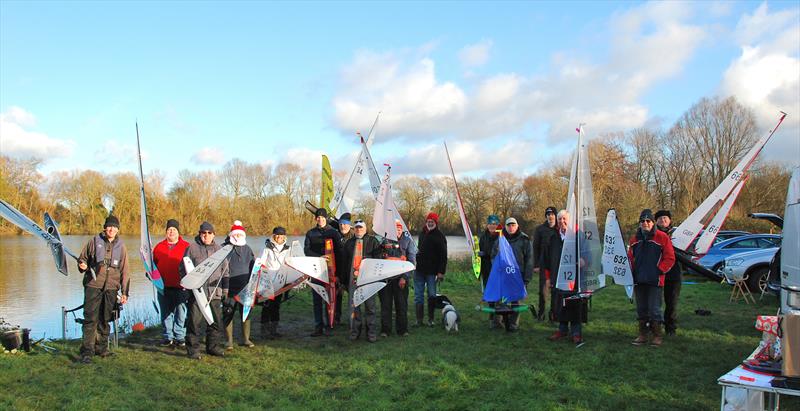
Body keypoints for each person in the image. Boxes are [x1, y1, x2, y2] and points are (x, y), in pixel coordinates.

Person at [76, 215, 130, 364]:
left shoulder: (122, 247)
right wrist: (82, 265)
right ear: (105, 228)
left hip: (111, 288)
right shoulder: (94, 242)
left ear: (118, 229)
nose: (112, 229)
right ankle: (87, 351)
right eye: (109, 226)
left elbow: (125, 271)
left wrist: (125, 292)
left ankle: (102, 348)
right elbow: (82, 259)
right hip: (93, 286)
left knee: (105, 319)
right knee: (90, 319)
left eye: (114, 227)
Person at [180, 221, 230, 359]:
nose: (206, 235)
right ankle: (193, 350)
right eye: (203, 233)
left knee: (215, 322)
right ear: (200, 234)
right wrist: (187, 286)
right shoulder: (191, 248)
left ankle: (212, 347)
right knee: (194, 323)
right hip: (196, 294)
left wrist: (225, 291)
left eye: (209, 233)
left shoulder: (220, 250)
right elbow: (182, 269)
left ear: (213, 234)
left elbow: (225, 272)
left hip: (215, 293)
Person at [628, 209, 675, 347]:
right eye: (642, 221)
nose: (645, 223)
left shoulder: (662, 237)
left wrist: (660, 271)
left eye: (648, 221)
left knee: (655, 309)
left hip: (655, 280)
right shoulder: (634, 239)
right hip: (639, 279)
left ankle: (657, 335)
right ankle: (643, 334)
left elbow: (670, 257)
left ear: (652, 222)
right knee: (641, 308)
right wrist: (629, 272)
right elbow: (630, 258)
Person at [542, 210, 589, 346]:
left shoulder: (578, 236)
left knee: (575, 304)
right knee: (560, 304)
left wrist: (584, 260)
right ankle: (562, 330)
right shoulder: (553, 237)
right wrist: (548, 277)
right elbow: (546, 259)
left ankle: (576, 333)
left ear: (570, 220)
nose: (562, 221)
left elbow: (588, 253)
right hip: (558, 277)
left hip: (574, 279)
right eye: (560, 219)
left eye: (565, 219)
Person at [304, 208, 343, 336]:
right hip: (316, 271)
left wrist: (338, 275)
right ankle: (318, 326)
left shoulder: (334, 233)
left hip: (331, 271)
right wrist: (318, 257)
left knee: (330, 298)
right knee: (317, 299)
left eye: (322, 217)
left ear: (326, 218)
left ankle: (330, 324)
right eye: (318, 217)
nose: (320, 219)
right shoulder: (310, 233)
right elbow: (306, 251)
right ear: (315, 219)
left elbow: (339, 253)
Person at [342, 220, 383, 342]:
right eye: (357, 228)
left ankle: (371, 332)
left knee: (370, 307)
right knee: (354, 307)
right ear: (354, 230)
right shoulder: (349, 243)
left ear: (365, 229)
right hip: (353, 280)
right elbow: (344, 263)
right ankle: (355, 331)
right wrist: (344, 281)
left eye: (361, 228)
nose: (359, 230)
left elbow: (378, 260)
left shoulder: (373, 241)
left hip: (368, 280)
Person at [152, 219, 191, 348]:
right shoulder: (158, 247)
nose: (171, 232)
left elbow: (192, 265)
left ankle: (180, 337)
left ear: (178, 232)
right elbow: (153, 264)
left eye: (174, 230)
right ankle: (168, 337)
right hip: (163, 287)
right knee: (166, 313)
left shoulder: (186, 246)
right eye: (169, 230)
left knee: (181, 313)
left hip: (181, 287)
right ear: (166, 232)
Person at [490, 217, 533, 332]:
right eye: (508, 225)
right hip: (503, 275)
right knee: (499, 300)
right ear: (505, 227)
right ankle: (497, 322)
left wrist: (526, 279)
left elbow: (529, 260)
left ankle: (513, 324)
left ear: (517, 226)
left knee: (516, 301)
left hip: (518, 276)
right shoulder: (500, 240)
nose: (511, 227)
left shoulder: (525, 240)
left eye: (513, 225)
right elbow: (493, 256)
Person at [379, 220, 417, 337]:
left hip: (401, 279)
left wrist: (405, 278)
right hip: (386, 278)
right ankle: (385, 330)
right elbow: (378, 258)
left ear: (402, 229)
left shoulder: (408, 241)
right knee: (386, 305)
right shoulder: (383, 241)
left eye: (399, 228)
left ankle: (402, 330)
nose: (397, 230)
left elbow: (411, 262)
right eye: (395, 228)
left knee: (401, 305)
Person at [222, 221, 255, 349]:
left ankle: (246, 339)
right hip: (229, 288)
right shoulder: (224, 248)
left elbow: (253, 267)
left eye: (239, 235)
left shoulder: (247, 249)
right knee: (228, 313)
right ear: (231, 235)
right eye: (235, 234)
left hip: (246, 288)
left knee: (246, 314)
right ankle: (228, 341)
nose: (237, 237)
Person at [415, 212, 447, 326]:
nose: (430, 223)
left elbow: (443, 256)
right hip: (419, 270)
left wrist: (441, 272)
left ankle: (431, 319)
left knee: (432, 295)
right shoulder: (422, 233)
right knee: (418, 295)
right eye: (428, 221)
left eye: (432, 222)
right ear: (426, 222)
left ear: (435, 223)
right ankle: (419, 320)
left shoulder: (440, 236)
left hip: (432, 272)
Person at [655, 210, 682, 336]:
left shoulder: (678, 234)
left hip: (673, 273)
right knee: (655, 302)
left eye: (665, 218)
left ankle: (670, 328)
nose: (663, 220)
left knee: (671, 303)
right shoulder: (653, 234)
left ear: (670, 220)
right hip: (657, 273)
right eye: (660, 218)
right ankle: (655, 327)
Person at [260, 226, 290, 339]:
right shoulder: (267, 248)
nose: (278, 237)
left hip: (280, 281)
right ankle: (264, 330)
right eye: (276, 235)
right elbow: (262, 262)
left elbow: (289, 263)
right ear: (273, 236)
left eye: (281, 235)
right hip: (268, 281)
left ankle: (274, 330)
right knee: (266, 305)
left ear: (284, 237)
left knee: (276, 306)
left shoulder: (288, 249)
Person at [533, 206, 558, 321]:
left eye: (552, 214)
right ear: (546, 216)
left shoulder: (559, 228)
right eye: (548, 214)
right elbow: (535, 247)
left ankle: (553, 314)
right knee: (543, 291)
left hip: (556, 264)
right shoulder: (540, 229)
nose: (550, 216)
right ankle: (541, 314)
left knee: (555, 291)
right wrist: (536, 265)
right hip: (544, 264)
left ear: (555, 215)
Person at [479, 214, 501, 328]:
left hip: (497, 268)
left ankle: (499, 319)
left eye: (494, 224)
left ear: (497, 225)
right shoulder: (483, 237)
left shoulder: (501, 236)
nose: (492, 226)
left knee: (498, 294)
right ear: (487, 225)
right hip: (486, 268)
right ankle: (492, 318)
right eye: (490, 224)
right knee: (490, 293)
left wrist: (486, 254)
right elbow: (480, 250)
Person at [335, 212, 354, 324]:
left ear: (349, 225)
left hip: (350, 272)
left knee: (352, 297)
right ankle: (336, 317)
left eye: (345, 224)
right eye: (341, 224)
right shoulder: (335, 236)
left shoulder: (354, 236)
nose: (342, 226)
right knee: (337, 296)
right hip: (338, 271)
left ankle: (353, 318)